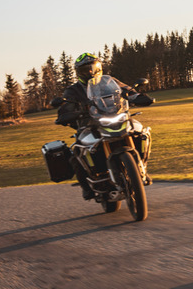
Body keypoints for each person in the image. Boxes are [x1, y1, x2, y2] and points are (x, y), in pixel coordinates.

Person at [55, 52, 143, 199]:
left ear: (99, 67)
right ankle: (86, 187)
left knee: (140, 132)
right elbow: (65, 107)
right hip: (88, 125)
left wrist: (139, 97)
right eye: (85, 70)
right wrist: (66, 114)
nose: (91, 72)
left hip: (113, 117)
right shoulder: (73, 90)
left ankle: (140, 166)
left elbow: (127, 91)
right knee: (77, 151)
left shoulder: (110, 82)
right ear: (79, 73)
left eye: (93, 68)